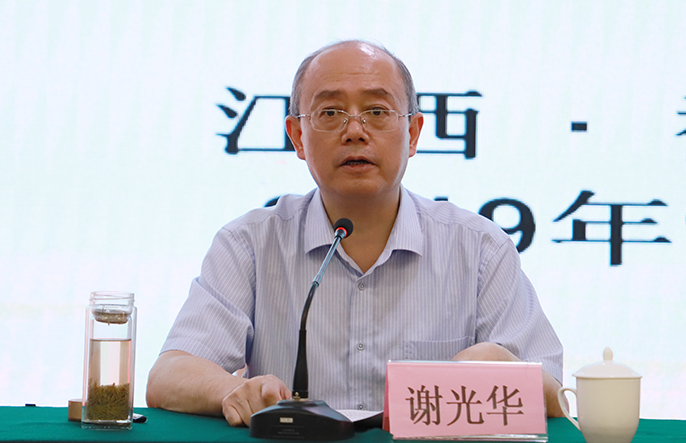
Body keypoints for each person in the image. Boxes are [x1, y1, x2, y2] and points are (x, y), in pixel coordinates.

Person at [146, 40, 564, 425]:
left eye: (377, 112)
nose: (355, 131)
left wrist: (500, 367)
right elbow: (169, 374)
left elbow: (556, 398)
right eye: (330, 113)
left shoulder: (479, 248)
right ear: (298, 137)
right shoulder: (250, 244)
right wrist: (234, 391)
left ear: (413, 133)